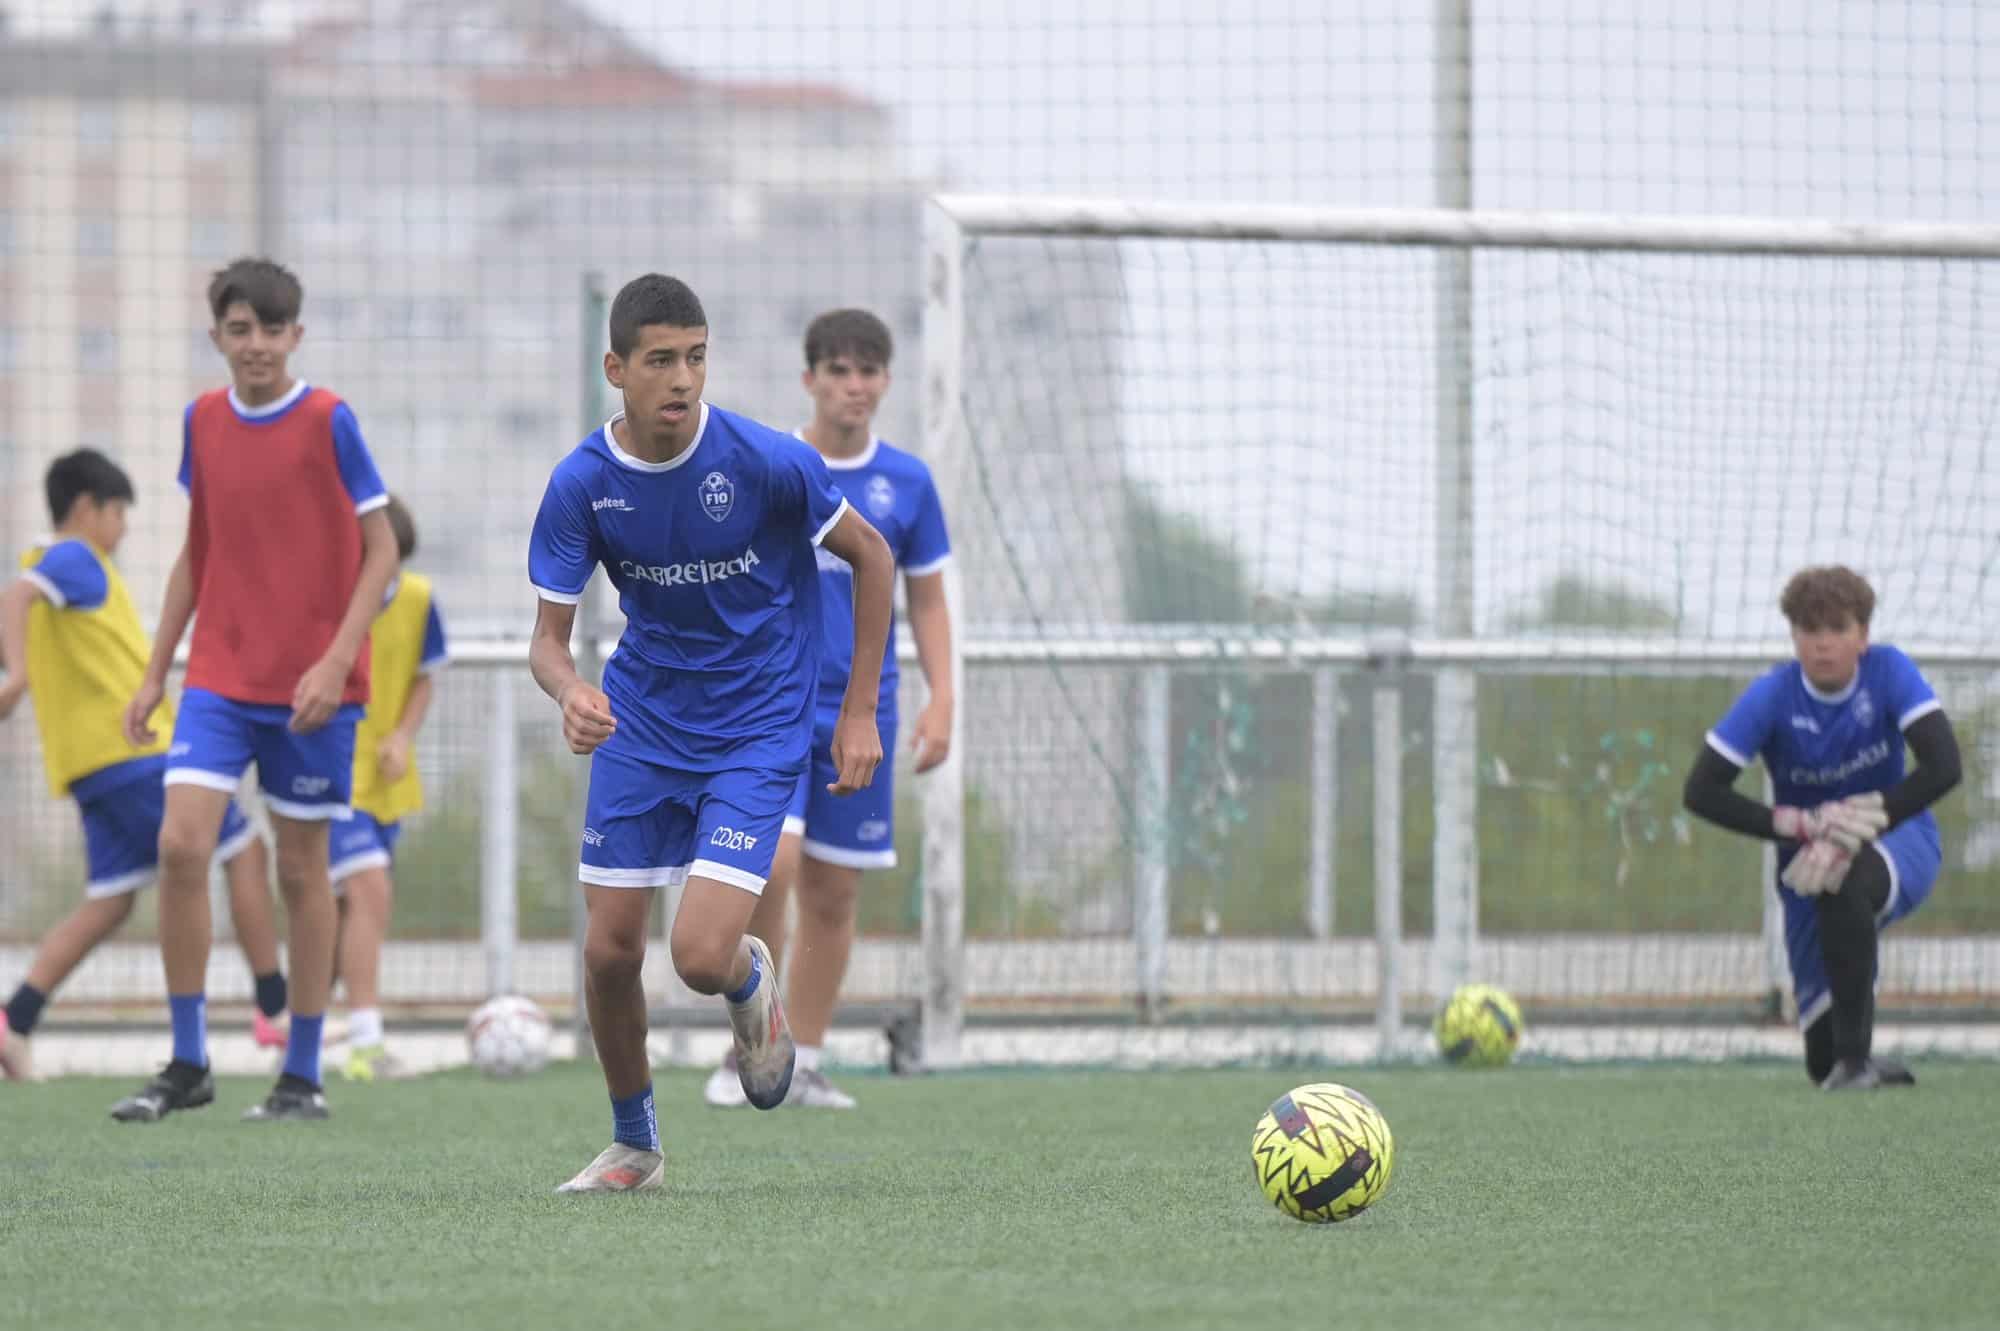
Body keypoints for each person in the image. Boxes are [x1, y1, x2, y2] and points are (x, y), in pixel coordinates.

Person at [527, 273, 894, 1192]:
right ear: (616, 368)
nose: (682, 378)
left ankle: (745, 980)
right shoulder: (582, 484)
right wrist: (570, 691)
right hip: (644, 723)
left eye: (695, 357)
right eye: (660, 360)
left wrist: (857, 711)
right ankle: (636, 1145)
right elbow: (547, 642)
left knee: (695, 956)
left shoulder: (767, 461)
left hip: (757, 728)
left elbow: (873, 556)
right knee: (609, 950)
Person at [109, 257, 399, 1123]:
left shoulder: (329, 420)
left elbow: (383, 548)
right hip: (220, 680)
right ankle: (188, 1059)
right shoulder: (201, 420)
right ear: (218, 337)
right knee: (180, 845)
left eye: (273, 328)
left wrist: (335, 660)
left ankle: (301, 1072)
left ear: (295, 335)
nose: (258, 344)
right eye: (241, 329)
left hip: (314, 689)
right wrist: (155, 671)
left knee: (303, 871)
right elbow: (197, 553)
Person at [705, 308, 954, 1110]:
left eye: (868, 370)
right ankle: (750, 1045)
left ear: (886, 380)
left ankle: (801, 1060)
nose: (854, 385)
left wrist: (943, 698)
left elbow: (929, 601)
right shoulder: (773, 465)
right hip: (771, 703)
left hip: (863, 710)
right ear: (809, 379)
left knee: (834, 892)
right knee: (770, 864)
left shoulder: (908, 483)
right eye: (838, 370)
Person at [0, 449, 286, 1082]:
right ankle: (275, 1009)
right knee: (244, 849)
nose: (124, 528)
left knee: (110, 902)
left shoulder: (54, 573)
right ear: (87, 508)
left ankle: (12, 1020)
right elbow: (13, 598)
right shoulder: (74, 559)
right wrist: (15, 677)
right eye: (119, 513)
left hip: (90, 768)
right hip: (134, 754)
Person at [1683, 565, 1962, 1090]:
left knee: (1846, 881)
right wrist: (1793, 824)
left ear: (1863, 635)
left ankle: (1856, 1066)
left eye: (1838, 628)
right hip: (1805, 859)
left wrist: (1870, 818)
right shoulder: (1772, 695)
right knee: (1820, 1060)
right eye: (1810, 629)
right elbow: (1701, 791)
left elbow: (1945, 765)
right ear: (1794, 636)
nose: (1823, 643)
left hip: (1898, 837)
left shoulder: (1889, 670)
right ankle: (1852, 1060)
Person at [330, 495, 449, 1082]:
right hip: (331, 774)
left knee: (344, 912)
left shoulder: (419, 600)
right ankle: (365, 1042)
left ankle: (299, 1030)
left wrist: (402, 735)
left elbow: (423, 679)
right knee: (369, 889)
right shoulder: (328, 597)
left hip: (386, 780)